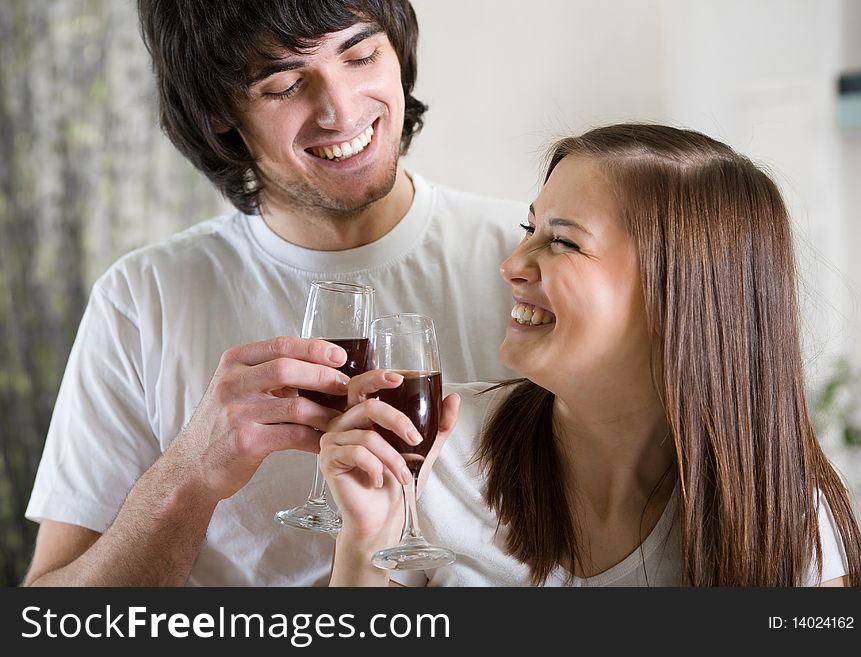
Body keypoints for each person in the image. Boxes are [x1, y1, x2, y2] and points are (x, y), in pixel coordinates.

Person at [22, 0, 524, 586]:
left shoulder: (525, 260)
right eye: (285, 85)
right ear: (217, 113)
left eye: (361, 55)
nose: (340, 111)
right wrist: (191, 474)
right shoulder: (143, 299)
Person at [321, 123, 861, 586]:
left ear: (680, 294)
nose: (512, 263)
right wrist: (366, 538)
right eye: (528, 229)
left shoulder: (783, 511)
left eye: (562, 241)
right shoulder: (434, 453)